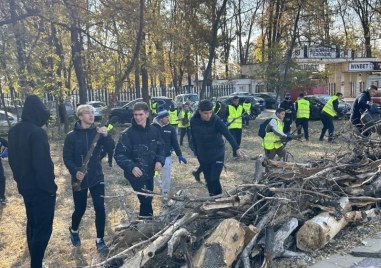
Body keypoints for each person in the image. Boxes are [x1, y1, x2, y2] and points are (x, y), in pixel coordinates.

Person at [8, 95, 57, 268]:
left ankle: (36, 262)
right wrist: (50, 189)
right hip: (41, 189)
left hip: (25, 187)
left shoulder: (14, 131)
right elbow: (42, 164)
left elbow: (12, 160)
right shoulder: (37, 132)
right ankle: (36, 264)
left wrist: (19, 180)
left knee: (33, 223)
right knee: (43, 228)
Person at [63, 104, 114, 254]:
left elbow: (111, 148)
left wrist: (107, 135)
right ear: (80, 116)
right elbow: (66, 157)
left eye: (92, 113)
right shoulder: (71, 136)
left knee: (100, 208)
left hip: (96, 176)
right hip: (79, 178)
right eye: (87, 113)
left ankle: (100, 239)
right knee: (80, 208)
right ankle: (74, 230)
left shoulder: (98, 133)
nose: (92, 115)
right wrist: (75, 171)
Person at [114, 102, 165, 219]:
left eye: (140, 114)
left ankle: (145, 224)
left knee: (148, 198)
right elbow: (119, 154)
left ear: (147, 114)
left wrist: (159, 161)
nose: (137, 117)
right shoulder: (127, 134)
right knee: (145, 199)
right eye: (135, 114)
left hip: (150, 171)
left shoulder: (155, 131)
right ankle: (147, 223)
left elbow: (161, 148)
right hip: (135, 173)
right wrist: (131, 166)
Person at [190, 100, 244, 196]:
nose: (209, 115)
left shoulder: (216, 120)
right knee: (209, 181)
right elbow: (193, 136)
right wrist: (194, 149)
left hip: (217, 153)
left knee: (214, 179)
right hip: (203, 155)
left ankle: (219, 200)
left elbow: (227, 133)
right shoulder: (194, 121)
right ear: (200, 112)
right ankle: (212, 199)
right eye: (206, 113)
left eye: (210, 112)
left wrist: (236, 148)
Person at [152, 110, 187, 194]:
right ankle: (156, 186)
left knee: (166, 176)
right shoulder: (152, 127)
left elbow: (175, 143)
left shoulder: (170, 129)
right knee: (154, 174)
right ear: (161, 118)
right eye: (167, 117)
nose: (168, 118)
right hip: (154, 157)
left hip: (166, 156)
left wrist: (179, 155)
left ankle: (165, 192)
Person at [0, 137, 8, 205]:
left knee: (2, 178)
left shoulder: (1, 139)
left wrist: (4, 153)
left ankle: (2, 197)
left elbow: (9, 145)